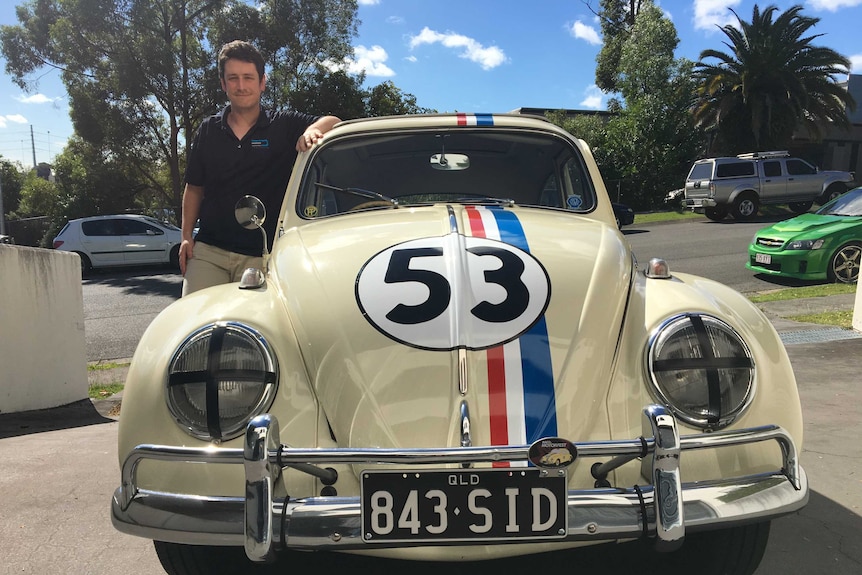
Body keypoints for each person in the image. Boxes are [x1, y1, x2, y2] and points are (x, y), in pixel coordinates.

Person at [179, 40, 340, 296]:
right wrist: (186, 235)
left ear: (262, 82)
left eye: (248, 77)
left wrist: (312, 130)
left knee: (258, 329)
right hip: (210, 252)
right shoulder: (208, 130)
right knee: (193, 322)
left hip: (263, 255)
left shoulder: (284, 125)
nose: (241, 86)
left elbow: (333, 121)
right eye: (233, 78)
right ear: (223, 83)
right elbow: (194, 188)